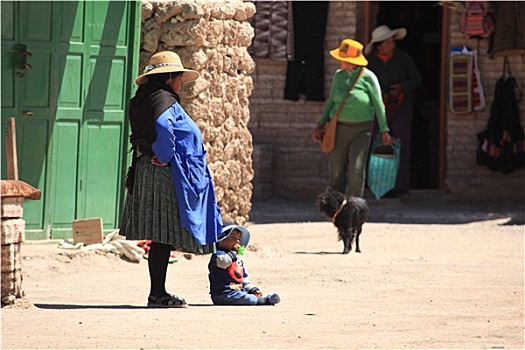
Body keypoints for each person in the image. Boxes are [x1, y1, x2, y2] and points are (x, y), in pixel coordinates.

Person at [119, 51, 223, 308]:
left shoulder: (144, 99)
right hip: (163, 172)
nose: (182, 83)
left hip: (148, 168)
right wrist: (165, 155)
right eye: (179, 78)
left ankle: (158, 292)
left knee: (159, 235)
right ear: (168, 78)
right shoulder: (164, 100)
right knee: (162, 234)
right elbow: (165, 128)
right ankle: (158, 294)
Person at [313, 39, 392, 198]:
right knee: (336, 170)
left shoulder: (368, 77)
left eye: (342, 59)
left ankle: (354, 208)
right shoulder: (338, 76)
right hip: (338, 129)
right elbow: (331, 102)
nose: (339, 61)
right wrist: (321, 123)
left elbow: (378, 105)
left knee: (356, 170)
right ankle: (335, 207)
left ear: (351, 61)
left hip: (361, 131)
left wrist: (384, 129)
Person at [365, 25, 422, 198]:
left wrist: (402, 87)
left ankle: (400, 187)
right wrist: (378, 95)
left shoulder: (402, 58)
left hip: (401, 107)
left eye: (392, 42)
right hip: (378, 109)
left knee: (400, 145)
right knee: (378, 145)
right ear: (379, 45)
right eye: (387, 42)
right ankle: (377, 185)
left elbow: (417, 79)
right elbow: (364, 83)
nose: (391, 45)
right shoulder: (370, 62)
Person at [208, 223, 281, 306]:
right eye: (233, 238)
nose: (237, 241)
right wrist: (234, 253)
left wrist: (252, 289)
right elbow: (224, 262)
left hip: (238, 289)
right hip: (224, 293)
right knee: (245, 298)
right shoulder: (218, 255)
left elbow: (243, 279)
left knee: (243, 295)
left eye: (239, 239)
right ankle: (264, 301)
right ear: (221, 240)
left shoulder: (237, 260)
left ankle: (258, 297)